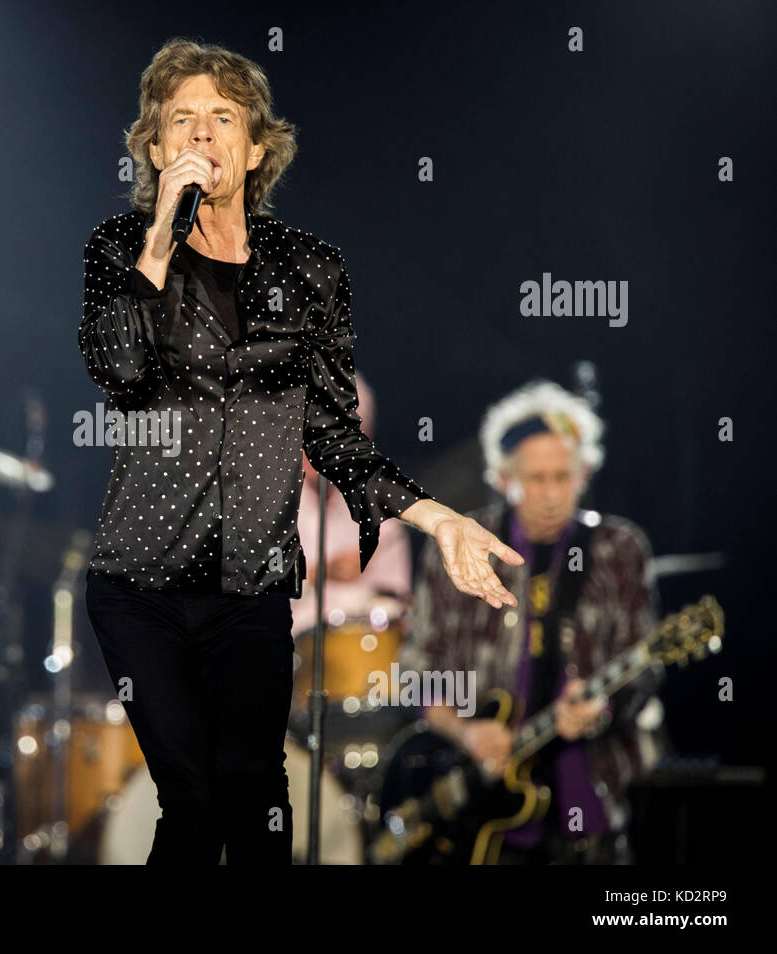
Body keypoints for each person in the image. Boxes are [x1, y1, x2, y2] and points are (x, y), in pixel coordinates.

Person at [77, 38, 523, 865]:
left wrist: (438, 519)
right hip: (141, 583)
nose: (204, 136)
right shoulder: (118, 251)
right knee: (193, 800)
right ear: (155, 148)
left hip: (249, 587)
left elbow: (333, 432)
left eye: (223, 119)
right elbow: (119, 369)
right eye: (183, 121)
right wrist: (159, 245)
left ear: (256, 148)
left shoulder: (311, 269)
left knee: (258, 797)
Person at [403, 380, 661, 864]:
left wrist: (599, 706)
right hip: (483, 808)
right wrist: (466, 733)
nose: (550, 495)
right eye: (535, 479)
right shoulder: (459, 548)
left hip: (588, 792)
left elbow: (644, 666)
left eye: (563, 477)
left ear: (585, 473)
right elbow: (417, 673)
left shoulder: (619, 549)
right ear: (503, 478)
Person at [291, 371, 412, 637]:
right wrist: (321, 573)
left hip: (360, 661)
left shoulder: (384, 516)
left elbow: (397, 609)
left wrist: (377, 599)